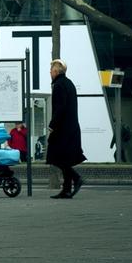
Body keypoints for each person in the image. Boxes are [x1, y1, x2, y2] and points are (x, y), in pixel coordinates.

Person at [47, 58, 86, 199]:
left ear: (56, 71)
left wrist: (52, 125)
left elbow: (60, 108)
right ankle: (67, 190)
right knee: (65, 159)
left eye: (51, 70)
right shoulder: (69, 84)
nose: (49, 72)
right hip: (72, 128)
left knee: (56, 157)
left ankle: (76, 178)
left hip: (62, 129)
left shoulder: (58, 85)